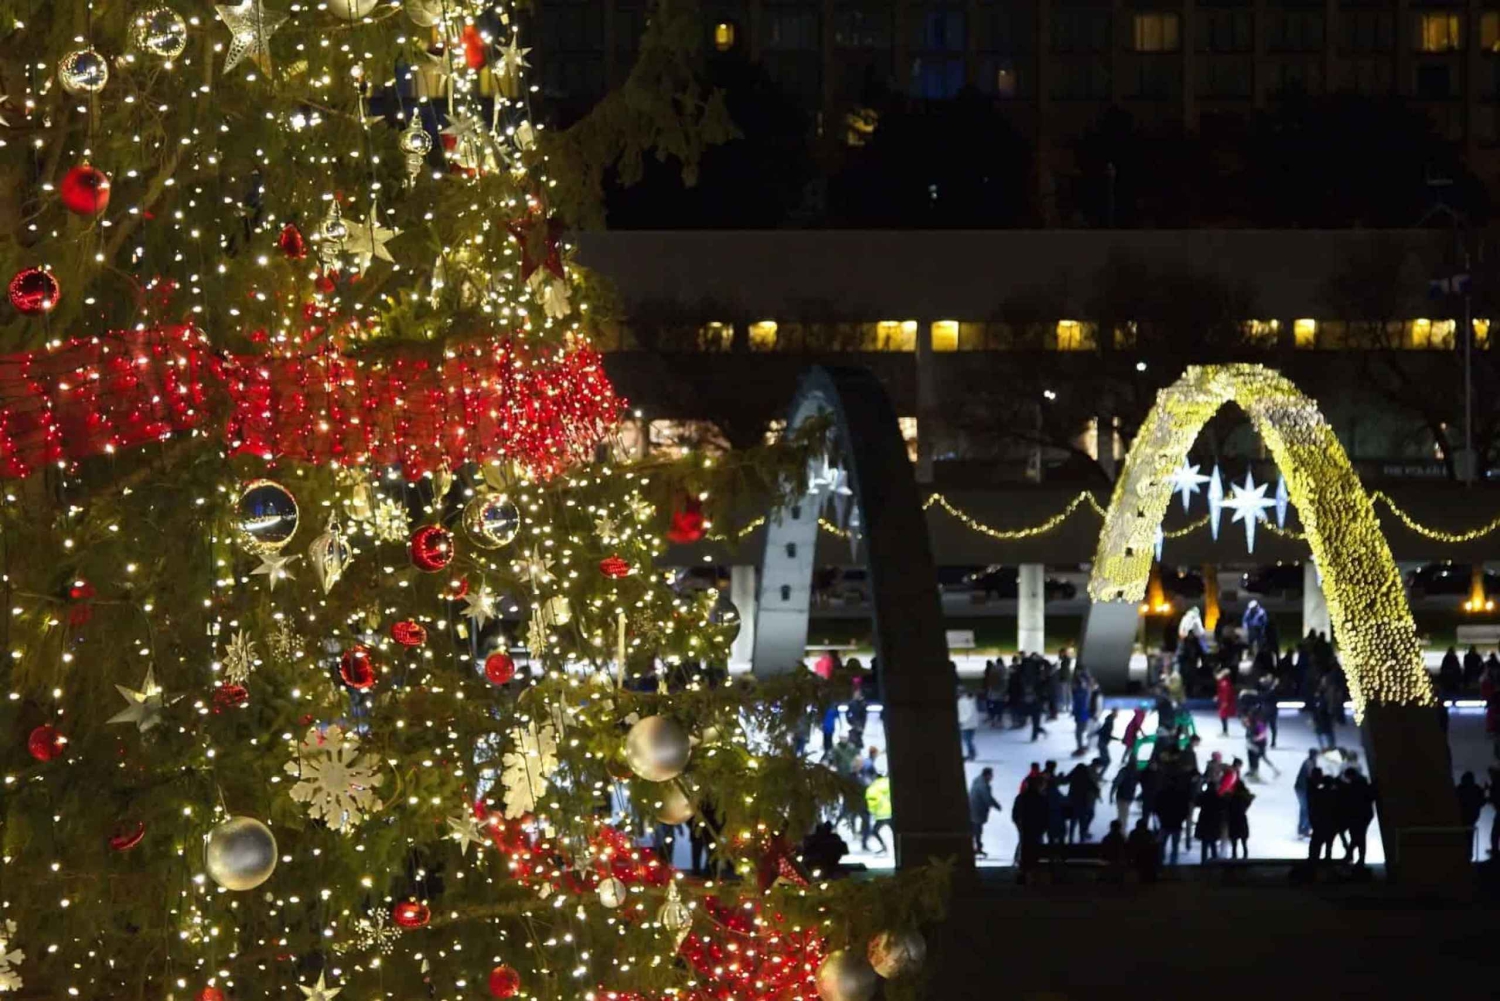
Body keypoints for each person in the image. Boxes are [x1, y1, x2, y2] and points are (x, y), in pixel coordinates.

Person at [1337, 768, 1375, 867]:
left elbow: (1350, 795)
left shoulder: (1356, 784)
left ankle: (1352, 857)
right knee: (1359, 837)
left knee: (1358, 837)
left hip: (1360, 815)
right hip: (1364, 815)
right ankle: (1356, 858)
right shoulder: (1362, 782)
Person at [1062, 759, 1102, 841]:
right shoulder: (1086, 777)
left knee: (1073, 823)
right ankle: (1082, 839)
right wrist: (1098, 795)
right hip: (1084, 803)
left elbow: (1065, 780)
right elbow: (1095, 787)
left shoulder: (1075, 776)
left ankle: (1071, 840)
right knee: (1082, 822)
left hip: (1073, 803)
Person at [968, 767, 1003, 857]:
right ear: (987, 775)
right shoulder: (983, 785)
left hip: (973, 808)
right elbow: (987, 798)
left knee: (975, 829)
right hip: (977, 810)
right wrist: (997, 806)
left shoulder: (977, 781)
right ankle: (977, 848)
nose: (992, 777)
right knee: (977, 830)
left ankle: (976, 847)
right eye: (991, 775)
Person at [1307, 771, 1339, 864]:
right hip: (1332, 823)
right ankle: (1327, 860)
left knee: (1316, 844)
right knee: (1329, 844)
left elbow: (1314, 807)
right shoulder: (1335, 795)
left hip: (1320, 823)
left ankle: (1313, 861)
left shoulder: (1319, 794)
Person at [1223, 767, 1253, 859]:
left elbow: (1227, 806)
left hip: (1233, 821)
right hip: (1242, 820)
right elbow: (1250, 799)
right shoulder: (1245, 798)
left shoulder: (1231, 797)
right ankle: (1245, 858)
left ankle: (1234, 859)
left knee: (1234, 844)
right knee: (1244, 844)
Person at [1457, 770, 1486, 858]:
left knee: (1461, 838)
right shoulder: (1476, 789)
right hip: (1472, 817)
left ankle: (1461, 856)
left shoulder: (1460, 788)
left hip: (1461, 817)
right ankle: (1469, 856)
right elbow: (1482, 801)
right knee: (1469, 837)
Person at [1244, 711, 1279, 780]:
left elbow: (1263, 734)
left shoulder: (1259, 724)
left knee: (1259, 757)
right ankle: (1252, 770)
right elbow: (1248, 729)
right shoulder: (1250, 723)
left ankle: (1257, 773)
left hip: (1259, 744)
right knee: (1250, 756)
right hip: (1251, 744)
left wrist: (1256, 738)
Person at [1195, 780, 1223, 863]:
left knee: (1204, 845)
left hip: (1204, 821)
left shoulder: (1204, 795)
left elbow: (1197, 802)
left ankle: (1203, 862)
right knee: (1213, 844)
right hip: (1214, 822)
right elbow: (1222, 807)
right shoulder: (1217, 796)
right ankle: (1215, 862)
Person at [864, 773, 892, 854]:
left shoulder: (873, 788)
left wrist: (872, 811)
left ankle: (883, 847)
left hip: (881, 814)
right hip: (891, 812)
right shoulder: (889, 783)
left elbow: (872, 803)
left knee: (875, 831)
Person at [1294, 748, 1319, 838]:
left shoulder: (1310, 762)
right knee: (1306, 809)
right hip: (1302, 788)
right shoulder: (1309, 763)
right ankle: (1303, 830)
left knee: (1306, 809)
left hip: (1303, 788)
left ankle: (1304, 829)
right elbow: (1311, 775)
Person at [1070, 672, 1094, 755]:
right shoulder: (1080, 692)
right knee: (1079, 732)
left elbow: (1081, 705)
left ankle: (1080, 748)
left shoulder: (1082, 692)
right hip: (1081, 715)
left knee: (1078, 733)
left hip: (1082, 715)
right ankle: (1080, 747)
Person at [1111, 759, 1139, 831]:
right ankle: (1121, 834)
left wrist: (1111, 794)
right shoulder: (1135, 772)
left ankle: (1118, 832)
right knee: (1123, 817)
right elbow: (1116, 783)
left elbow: (1116, 783)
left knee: (1122, 816)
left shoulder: (1126, 771)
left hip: (1124, 797)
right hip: (1125, 797)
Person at [845, 682, 868, 749]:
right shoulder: (852, 703)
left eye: (857, 694)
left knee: (857, 738)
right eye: (855, 694)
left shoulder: (863, 704)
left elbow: (864, 716)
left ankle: (857, 750)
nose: (856, 695)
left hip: (859, 724)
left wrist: (862, 726)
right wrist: (849, 720)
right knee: (853, 738)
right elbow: (848, 712)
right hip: (853, 722)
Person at [1215, 669, 1237, 736]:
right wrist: (1218, 697)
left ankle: (1225, 731)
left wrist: (1225, 702)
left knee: (1223, 715)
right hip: (1224, 701)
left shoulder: (1225, 683)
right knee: (1223, 716)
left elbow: (1226, 693)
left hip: (1225, 702)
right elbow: (1222, 692)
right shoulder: (1223, 681)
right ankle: (1225, 731)